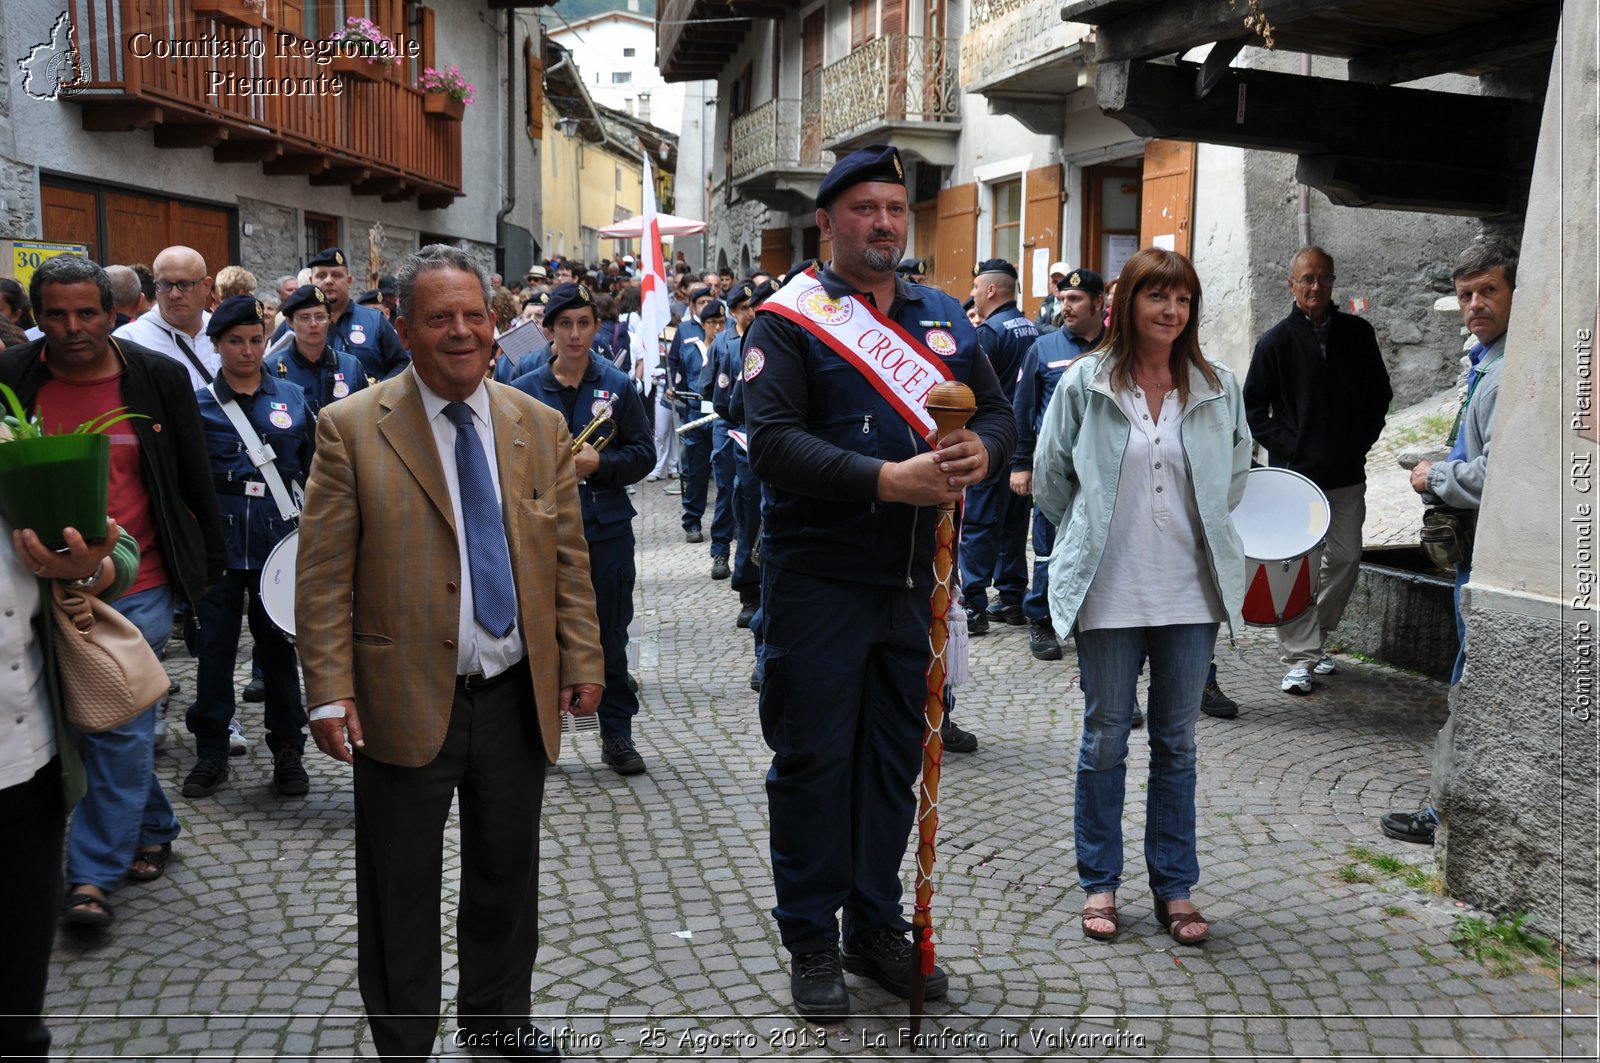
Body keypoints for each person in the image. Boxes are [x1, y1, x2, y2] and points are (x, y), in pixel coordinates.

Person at [295, 245, 604, 1060]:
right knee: (399, 887)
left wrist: (583, 657)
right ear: (403, 325)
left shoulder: (539, 425)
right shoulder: (351, 427)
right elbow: (322, 573)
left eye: (475, 315)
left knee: (507, 877)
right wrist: (327, 689)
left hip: (513, 690)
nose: (462, 332)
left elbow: (566, 555)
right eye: (440, 318)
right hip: (400, 692)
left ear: (496, 323)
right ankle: (406, 1042)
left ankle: (496, 1024)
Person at [742, 144, 1016, 1022]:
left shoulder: (944, 316)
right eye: (865, 208)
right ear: (827, 223)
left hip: (916, 586)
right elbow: (775, 443)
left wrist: (987, 451)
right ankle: (811, 937)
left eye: (896, 208)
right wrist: (883, 479)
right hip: (818, 581)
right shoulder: (787, 321)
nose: (884, 223)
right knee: (815, 761)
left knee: (893, 763)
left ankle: (872, 922)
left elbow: (1002, 414)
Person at [1033, 247, 1249, 949]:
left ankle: (1175, 886)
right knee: (1104, 738)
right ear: (1127, 304)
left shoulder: (1216, 386)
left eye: (1183, 299)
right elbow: (1049, 475)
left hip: (1188, 590)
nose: (1171, 310)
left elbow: (1237, 473)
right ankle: (1100, 881)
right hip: (1110, 585)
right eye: (1158, 296)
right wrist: (1096, 530)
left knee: (1177, 743)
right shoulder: (1087, 382)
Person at [0, 254, 223, 930]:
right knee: (86, 720)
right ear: (35, 317)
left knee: (120, 725)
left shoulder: (154, 378)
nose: (72, 328)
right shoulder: (13, 377)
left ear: (113, 312)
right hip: (42, 586)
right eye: (56, 314)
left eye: (87, 312)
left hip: (138, 583)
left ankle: (90, 874)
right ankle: (153, 821)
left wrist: (205, 568)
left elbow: (192, 476)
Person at [1380, 241, 1515, 847]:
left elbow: (1502, 473)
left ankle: (1446, 817)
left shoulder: (1509, 371)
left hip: (1491, 549)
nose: (1476, 304)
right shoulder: (1486, 359)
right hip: (1474, 549)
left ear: (1516, 292)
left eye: (1488, 290)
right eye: (1466, 295)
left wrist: (1434, 477)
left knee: (1470, 684)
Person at [2, 517, 139, 1058]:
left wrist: (88, 570)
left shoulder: (14, 438)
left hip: (28, 771)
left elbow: (119, 548)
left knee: (16, 1015)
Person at [513, 283, 655, 776]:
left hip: (605, 528)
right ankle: (540, 733)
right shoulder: (525, 390)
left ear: (596, 327)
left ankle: (616, 733)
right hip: (542, 531)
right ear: (548, 331)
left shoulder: (617, 385)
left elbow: (644, 454)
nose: (575, 334)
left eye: (584, 324)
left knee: (609, 634)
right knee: (540, 633)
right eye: (565, 325)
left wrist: (600, 463)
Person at [1245, 247, 1392, 695]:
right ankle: (1299, 658)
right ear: (1291, 285)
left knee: (1345, 560)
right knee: (1298, 570)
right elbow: (1254, 409)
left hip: (1346, 475)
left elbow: (1379, 395)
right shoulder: (1275, 342)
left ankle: (1314, 639)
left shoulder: (1358, 334)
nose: (1315, 287)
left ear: (1332, 284)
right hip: (1298, 484)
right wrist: (1293, 448)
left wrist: (1358, 442)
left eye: (1323, 279)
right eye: (1307, 279)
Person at [184, 297, 314, 799]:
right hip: (217, 548)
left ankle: (287, 749)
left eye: (255, 339)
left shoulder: (293, 398)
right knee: (213, 653)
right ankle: (211, 751)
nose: (246, 350)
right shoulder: (196, 406)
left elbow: (315, 470)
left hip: (274, 545)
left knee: (279, 653)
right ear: (215, 345)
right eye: (234, 341)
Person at [1012, 267, 1107, 661]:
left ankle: (1094, 618)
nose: (1064, 306)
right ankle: (1041, 618)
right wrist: (1021, 464)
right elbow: (1022, 409)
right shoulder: (1044, 348)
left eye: (1074, 299)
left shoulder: (1117, 347)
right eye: (1062, 299)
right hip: (1056, 469)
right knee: (1049, 545)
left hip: (1103, 470)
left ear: (1099, 304)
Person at [961, 259, 1038, 639]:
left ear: (991, 290)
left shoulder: (990, 332)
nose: (972, 293)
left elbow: (973, 388)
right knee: (1013, 523)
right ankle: (1011, 595)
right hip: (1022, 442)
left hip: (991, 441)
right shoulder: (1032, 326)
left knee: (978, 524)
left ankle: (972, 603)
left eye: (976, 286)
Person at [270, 247, 408, 382]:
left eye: (336, 275)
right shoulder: (292, 323)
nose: (329, 281)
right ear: (311, 281)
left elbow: (402, 364)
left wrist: (377, 393)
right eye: (321, 276)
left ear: (349, 281)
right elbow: (271, 367)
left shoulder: (375, 321)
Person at [712, 282, 762, 607]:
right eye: (745, 307)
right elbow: (725, 402)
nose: (752, 311)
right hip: (741, 438)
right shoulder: (733, 344)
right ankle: (747, 593)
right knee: (745, 515)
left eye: (754, 305)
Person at [113, 245, 219, 388]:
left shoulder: (225, 331)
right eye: (165, 285)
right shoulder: (128, 340)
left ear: (206, 286)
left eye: (184, 284)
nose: (174, 294)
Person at [264, 284, 369, 420]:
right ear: (290, 322)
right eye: (305, 317)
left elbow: (366, 417)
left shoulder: (351, 367)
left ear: (330, 319)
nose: (313, 324)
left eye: (320, 317)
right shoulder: (271, 370)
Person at [668, 289, 719, 539]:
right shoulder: (688, 337)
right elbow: (677, 367)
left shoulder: (728, 338)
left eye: (720, 322)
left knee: (725, 474)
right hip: (696, 412)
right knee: (697, 471)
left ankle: (729, 523)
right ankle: (692, 521)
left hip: (721, 414)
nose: (717, 327)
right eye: (701, 303)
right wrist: (676, 392)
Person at [1034, 261, 1070, 335]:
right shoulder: (1047, 301)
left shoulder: (1074, 303)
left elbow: (1069, 332)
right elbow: (1037, 326)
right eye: (1054, 282)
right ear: (1049, 282)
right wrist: (1059, 331)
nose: (1057, 286)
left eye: (1061, 282)